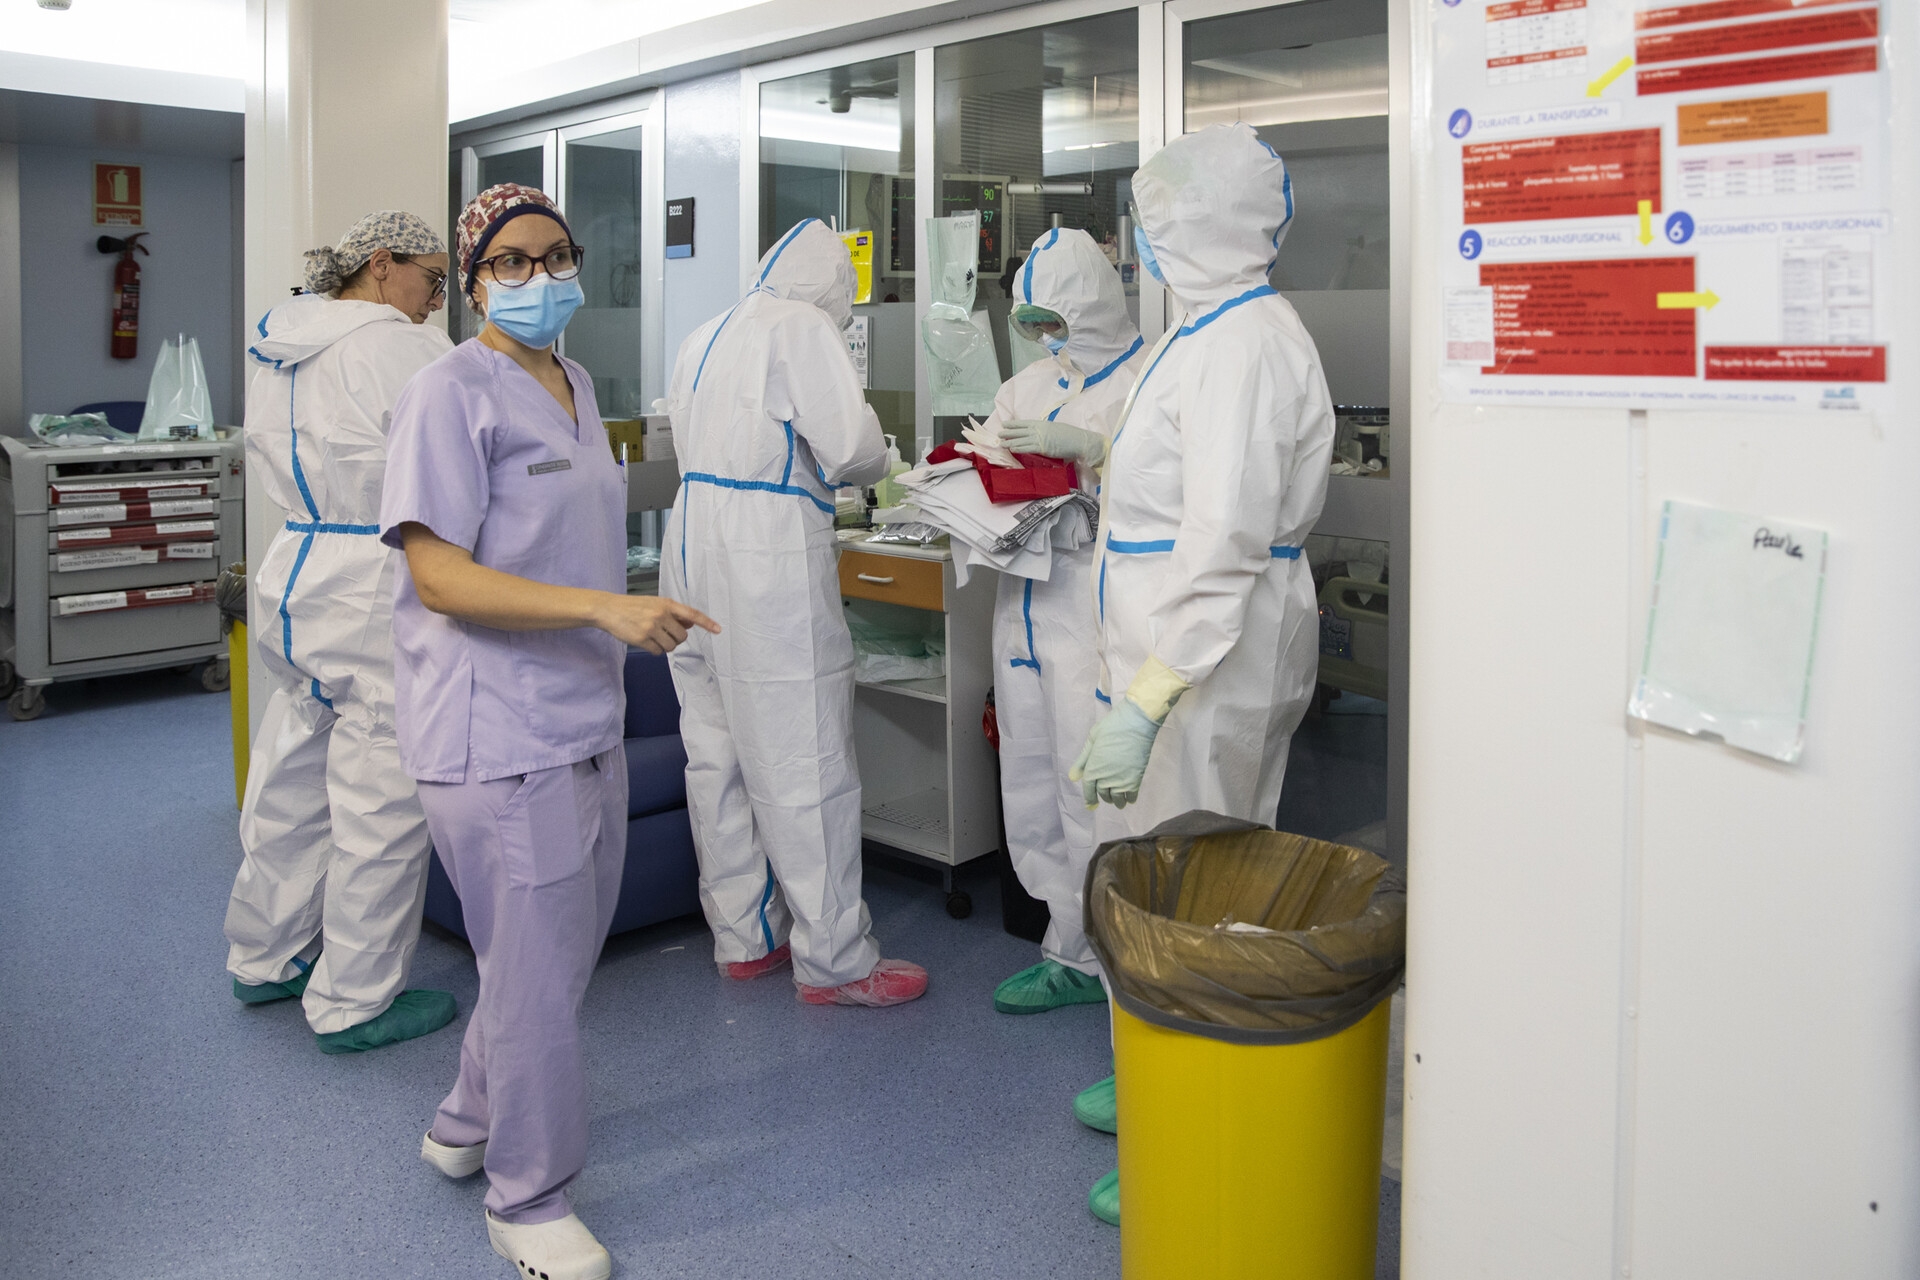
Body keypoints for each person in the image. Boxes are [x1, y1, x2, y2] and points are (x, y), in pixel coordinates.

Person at [381, 183, 717, 1280]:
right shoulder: (448, 393)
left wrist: (624, 610)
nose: (540, 278)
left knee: (551, 960)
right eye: (512, 262)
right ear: (473, 280)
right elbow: (438, 573)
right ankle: (527, 1196)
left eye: (557, 256)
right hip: (495, 729)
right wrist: (602, 609)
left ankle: (467, 1118)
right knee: (533, 972)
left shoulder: (574, 382)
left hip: (585, 714)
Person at [1069, 124, 1335, 1224]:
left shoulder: (1246, 344)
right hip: (1175, 650)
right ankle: (1154, 1077)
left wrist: (1148, 695)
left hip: (1205, 659)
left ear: (1204, 221)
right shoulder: (1207, 329)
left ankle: (1195, 1116)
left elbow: (1224, 543)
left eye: (1159, 212)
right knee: (1163, 881)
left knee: (1202, 904)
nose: (1145, 230)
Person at [659, 218, 927, 1008]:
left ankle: (744, 938)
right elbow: (851, 451)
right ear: (833, 289)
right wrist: (886, 455)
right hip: (765, 547)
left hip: (692, 537)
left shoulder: (707, 331)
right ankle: (836, 959)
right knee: (802, 754)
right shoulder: (803, 328)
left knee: (716, 752)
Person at [223, 210, 460, 1054]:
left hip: (294, 566)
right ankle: (355, 999)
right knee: (381, 797)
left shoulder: (279, 335)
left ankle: (264, 954)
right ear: (382, 264)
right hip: (374, 573)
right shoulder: (399, 345)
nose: (435, 301)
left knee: (289, 779)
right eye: (432, 279)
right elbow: (464, 453)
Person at [979, 227, 1146, 1014]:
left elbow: (1164, 494)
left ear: (1090, 302)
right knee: (1032, 784)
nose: (1045, 337)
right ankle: (1066, 950)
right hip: (1023, 602)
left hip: (1090, 608)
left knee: (1092, 794)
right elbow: (1000, 468)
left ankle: (1121, 977)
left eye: (1055, 318)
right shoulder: (1031, 384)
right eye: (1031, 323)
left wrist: (1093, 452)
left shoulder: (1147, 377)